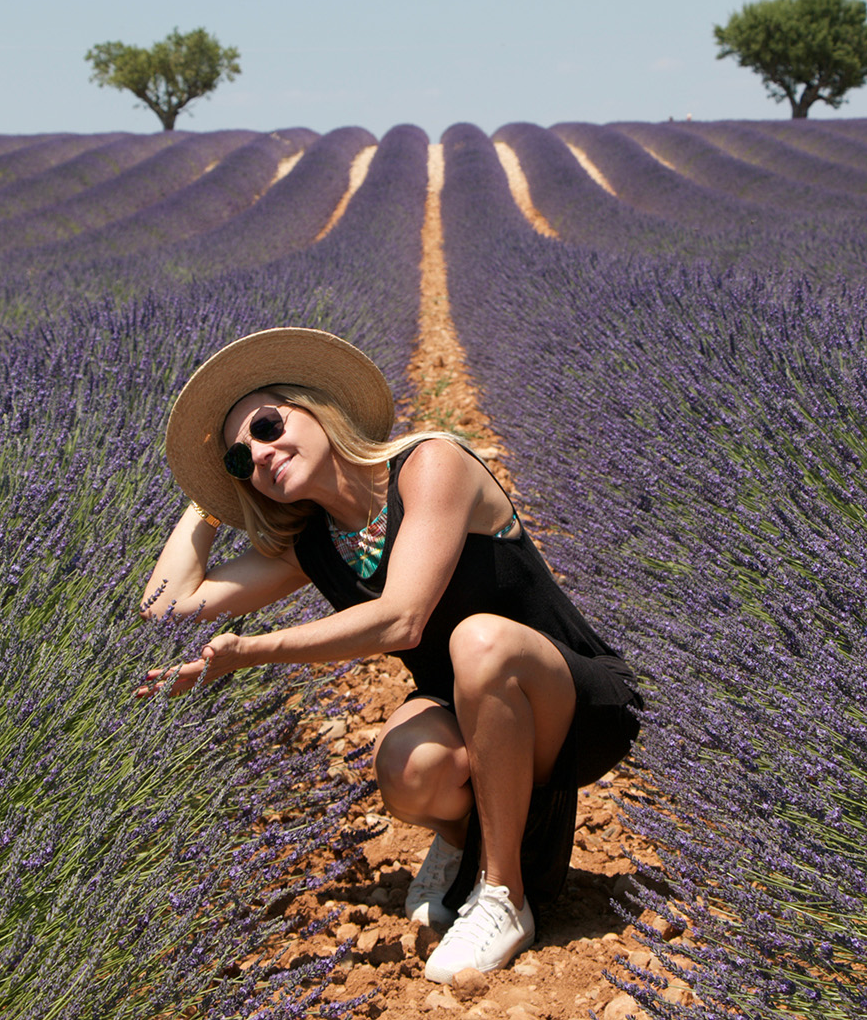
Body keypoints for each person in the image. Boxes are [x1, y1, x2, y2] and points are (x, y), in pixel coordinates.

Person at [140, 327, 642, 984]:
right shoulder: (313, 544)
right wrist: (212, 499)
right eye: (242, 459)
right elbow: (167, 605)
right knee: (404, 766)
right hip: (468, 707)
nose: (261, 453)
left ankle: (503, 897)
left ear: (316, 410)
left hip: (574, 704)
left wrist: (253, 652)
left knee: (479, 641)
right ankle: (467, 840)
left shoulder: (431, 464)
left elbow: (402, 619)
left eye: (267, 426)